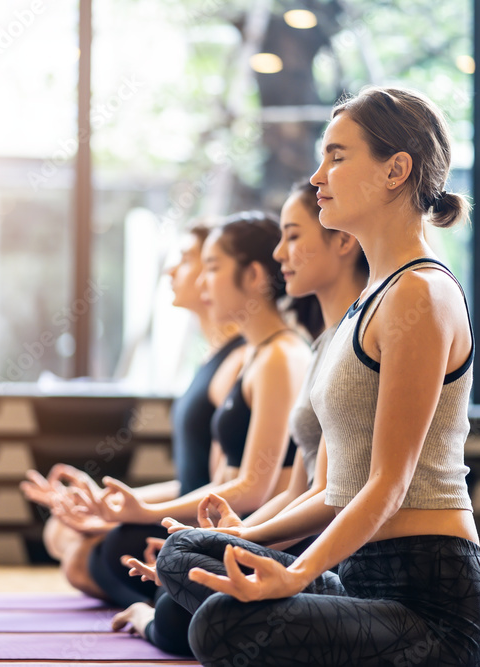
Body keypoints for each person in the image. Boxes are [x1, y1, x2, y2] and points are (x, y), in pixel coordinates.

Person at [155, 86, 480, 667]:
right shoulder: (369, 299)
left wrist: (296, 575)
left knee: (217, 624)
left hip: (435, 608)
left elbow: (389, 486)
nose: (319, 176)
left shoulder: (423, 293)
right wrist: (244, 538)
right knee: (185, 552)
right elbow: (334, 491)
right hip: (362, 584)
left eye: (337, 157)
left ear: (396, 170)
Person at [116, 178, 370, 655]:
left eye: (293, 237)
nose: (280, 255)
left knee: (187, 605)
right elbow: (308, 489)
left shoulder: (302, 351)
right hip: (299, 529)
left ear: (342, 242)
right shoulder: (322, 346)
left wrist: (260, 552)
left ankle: (164, 611)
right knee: (177, 562)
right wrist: (227, 537)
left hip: (345, 557)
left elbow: (303, 491)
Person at [74, 211, 320, 610]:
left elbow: (257, 488)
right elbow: (221, 477)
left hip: (267, 531)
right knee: (115, 553)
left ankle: (153, 613)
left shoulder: (281, 356)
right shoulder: (257, 356)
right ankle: (159, 607)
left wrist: (152, 513)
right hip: (238, 524)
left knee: (127, 562)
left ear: (254, 276)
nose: (203, 284)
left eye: (213, 268)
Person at [20, 222, 246, 599]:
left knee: (79, 558)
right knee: (60, 531)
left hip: (198, 522)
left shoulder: (241, 363)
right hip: (183, 508)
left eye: (188, 260)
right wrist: (110, 504)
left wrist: (131, 515)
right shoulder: (210, 358)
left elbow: (225, 486)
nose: (170, 271)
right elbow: (194, 478)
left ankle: (168, 601)